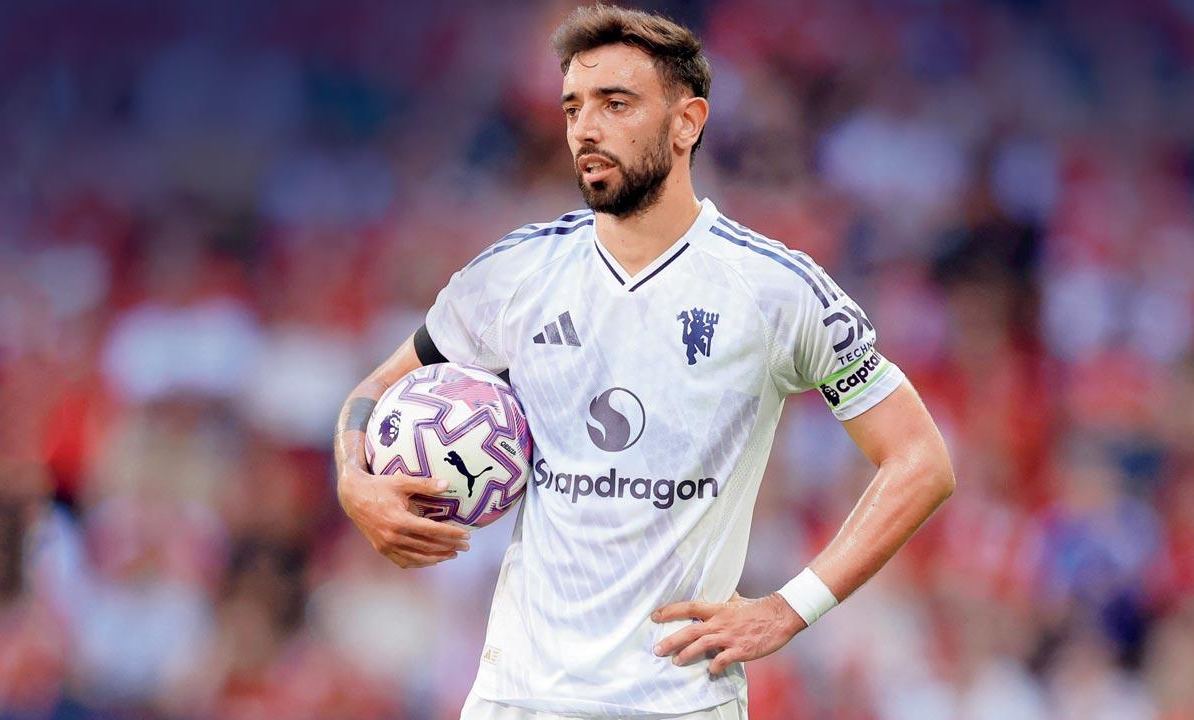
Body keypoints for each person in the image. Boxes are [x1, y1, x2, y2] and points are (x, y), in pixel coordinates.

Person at [333, 5, 955, 719]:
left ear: (688, 121)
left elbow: (920, 460)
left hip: (678, 702)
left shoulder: (777, 291)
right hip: (517, 699)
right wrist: (356, 482)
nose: (586, 129)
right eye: (573, 106)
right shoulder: (511, 275)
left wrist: (790, 608)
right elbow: (379, 389)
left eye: (616, 103)